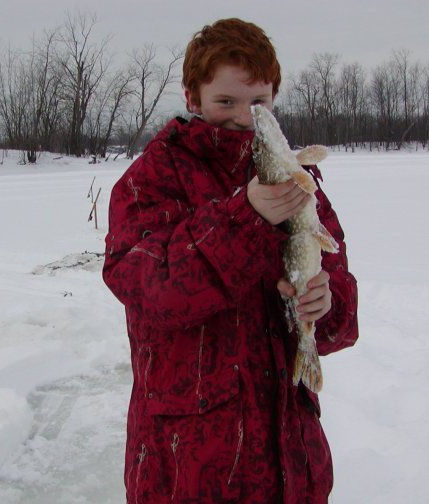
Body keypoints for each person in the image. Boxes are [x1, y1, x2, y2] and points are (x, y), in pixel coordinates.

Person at [102, 18, 358, 504]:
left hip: (291, 463)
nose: (244, 117)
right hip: (189, 468)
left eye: (258, 102)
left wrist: (327, 303)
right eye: (226, 101)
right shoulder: (151, 179)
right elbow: (151, 292)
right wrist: (247, 216)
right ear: (193, 98)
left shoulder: (295, 180)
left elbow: (340, 312)